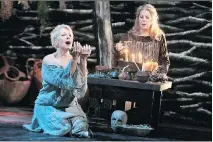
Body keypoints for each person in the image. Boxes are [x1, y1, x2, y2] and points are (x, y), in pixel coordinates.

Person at [23, 24, 93, 138]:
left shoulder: (75, 59)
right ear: (56, 42)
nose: (68, 37)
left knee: (81, 124)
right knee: (63, 126)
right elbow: (63, 82)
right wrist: (75, 59)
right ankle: (71, 128)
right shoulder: (49, 60)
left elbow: (80, 90)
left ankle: (76, 128)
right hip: (49, 106)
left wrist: (83, 60)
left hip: (69, 106)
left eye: (70, 35)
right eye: (64, 35)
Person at [115, 4, 170, 81]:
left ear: (152, 20)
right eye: (141, 17)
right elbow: (120, 58)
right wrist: (118, 49)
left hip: (151, 81)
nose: (144, 20)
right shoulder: (128, 36)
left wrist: (159, 75)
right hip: (131, 81)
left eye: (147, 17)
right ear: (138, 19)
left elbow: (165, 61)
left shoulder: (159, 37)